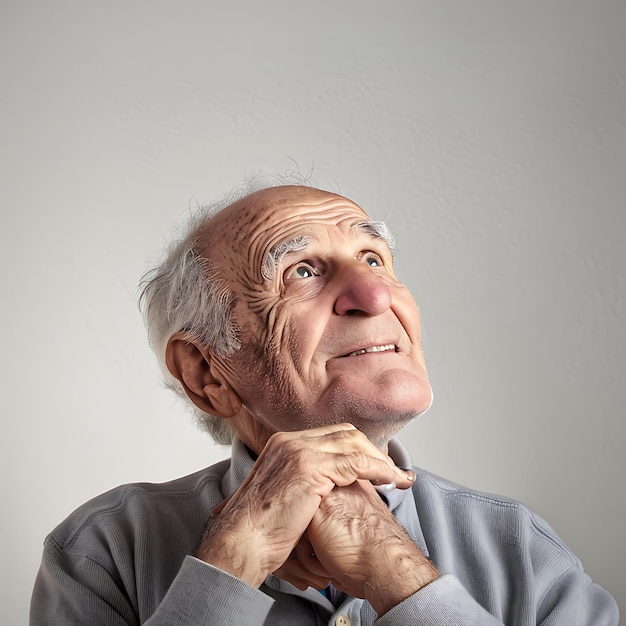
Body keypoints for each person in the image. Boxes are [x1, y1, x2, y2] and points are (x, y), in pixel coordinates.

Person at [31, 180, 619, 625]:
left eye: (373, 259)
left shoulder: (522, 548)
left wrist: (400, 576)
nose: (374, 293)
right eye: (302, 271)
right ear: (208, 371)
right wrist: (227, 566)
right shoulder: (101, 550)